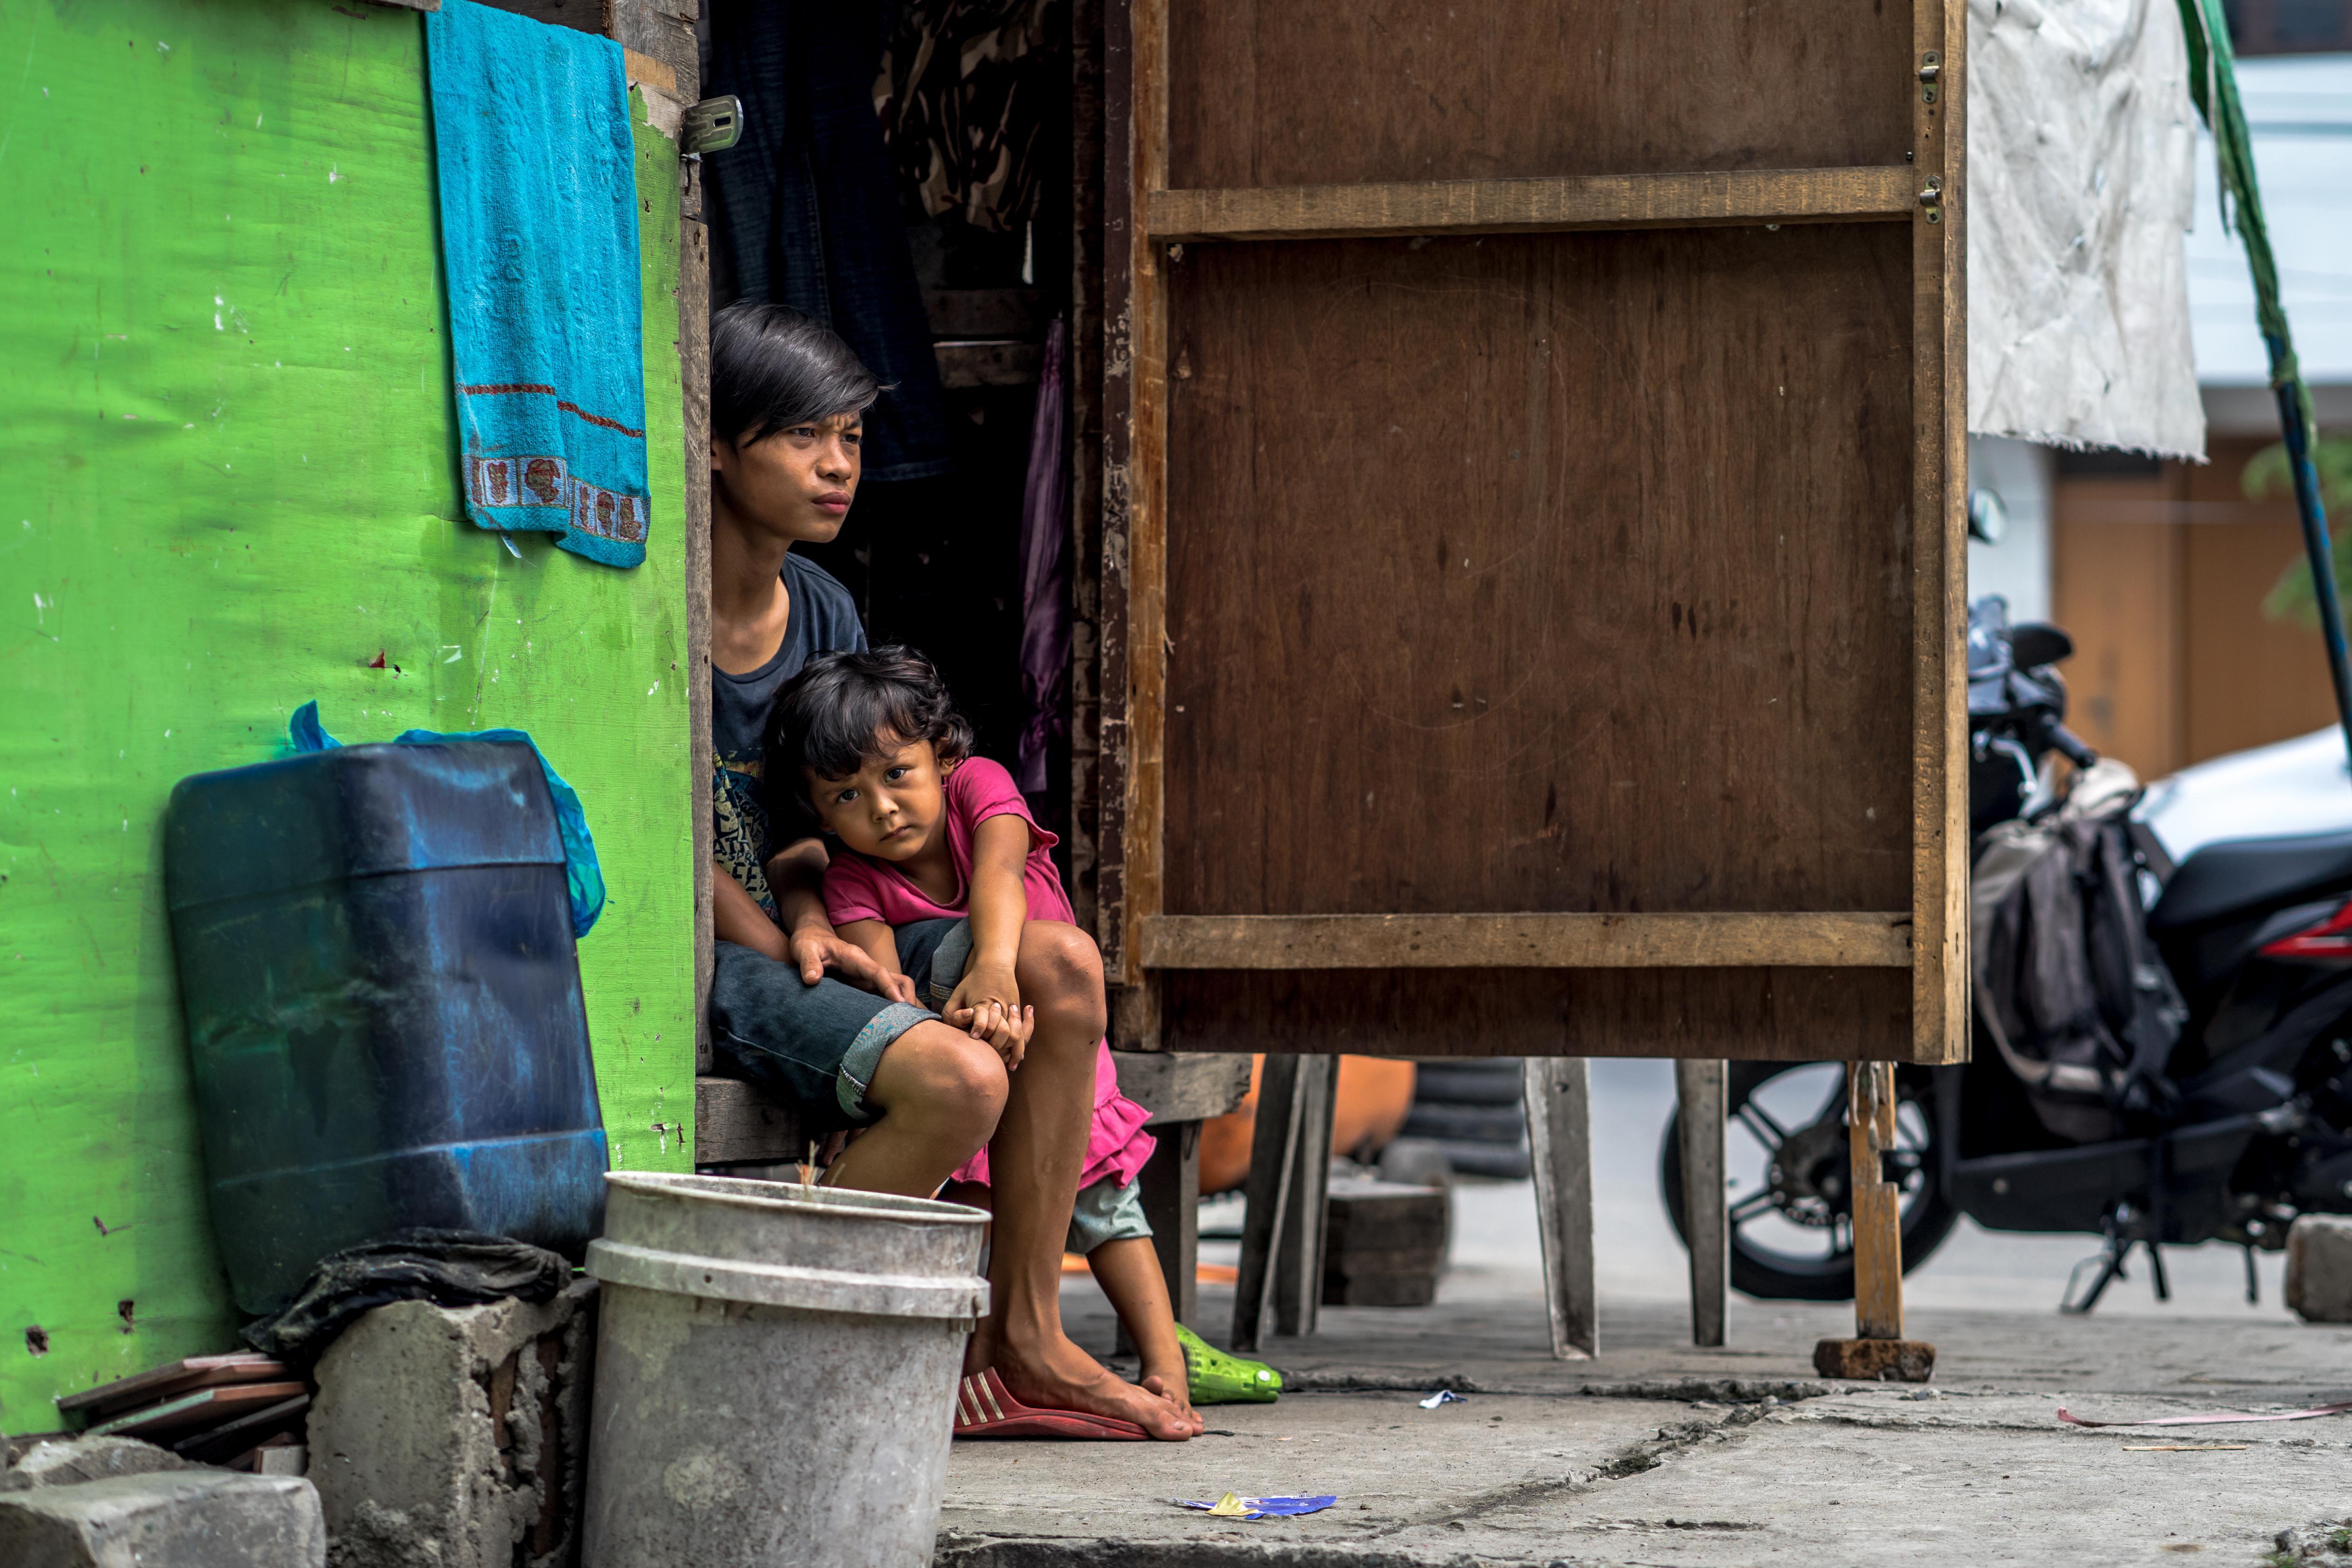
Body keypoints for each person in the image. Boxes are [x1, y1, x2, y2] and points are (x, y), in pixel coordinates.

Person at [702, 301, 1194, 1441]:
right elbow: (670, 841)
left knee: (1060, 961)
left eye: (850, 437)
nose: (839, 466)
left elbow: (811, 825)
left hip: (818, 923)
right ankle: (755, 1337)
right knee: (965, 1079)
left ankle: (1026, 1332)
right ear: (715, 445)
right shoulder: (656, 613)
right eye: (802, 436)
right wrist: (792, 940)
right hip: (718, 952)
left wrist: (824, 917)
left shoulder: (820, 606)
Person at [765, 647, 1225, 1434]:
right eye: (847, 795)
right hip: (975, 1047)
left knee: (1112, 1211)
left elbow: (1001, 878)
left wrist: (996, 970)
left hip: (1061, 1058)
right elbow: (891, 992)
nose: (883, 809)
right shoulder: (851, 880)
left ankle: (1166, 1373)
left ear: (943, 756)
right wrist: (968, 1029)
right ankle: (984, 1371)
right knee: (976, 1219)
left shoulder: (979, 787)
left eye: (897, 774)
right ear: (819, 814)